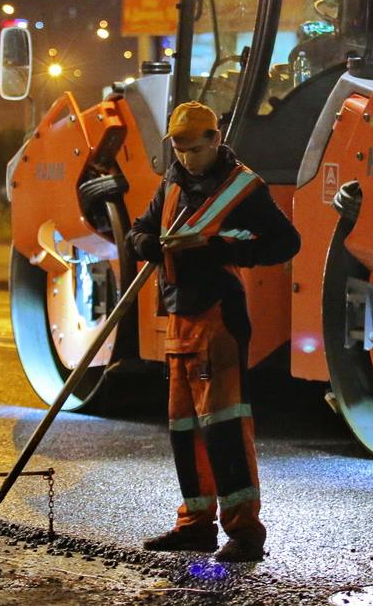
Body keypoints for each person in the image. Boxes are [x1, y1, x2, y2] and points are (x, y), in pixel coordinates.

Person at [127, 101, 301, 562]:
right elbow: (140, 229)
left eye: (193, 147)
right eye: (178, 148)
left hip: (218, 317)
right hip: (179, 317)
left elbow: (286, 242)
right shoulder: (172, 183)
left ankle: (245, 532)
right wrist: (145, 243)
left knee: (224, 428)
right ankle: (195, 525)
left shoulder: (243, 188)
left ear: (215, 139)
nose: (186, 156)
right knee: (185, 430)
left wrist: (220, 248)